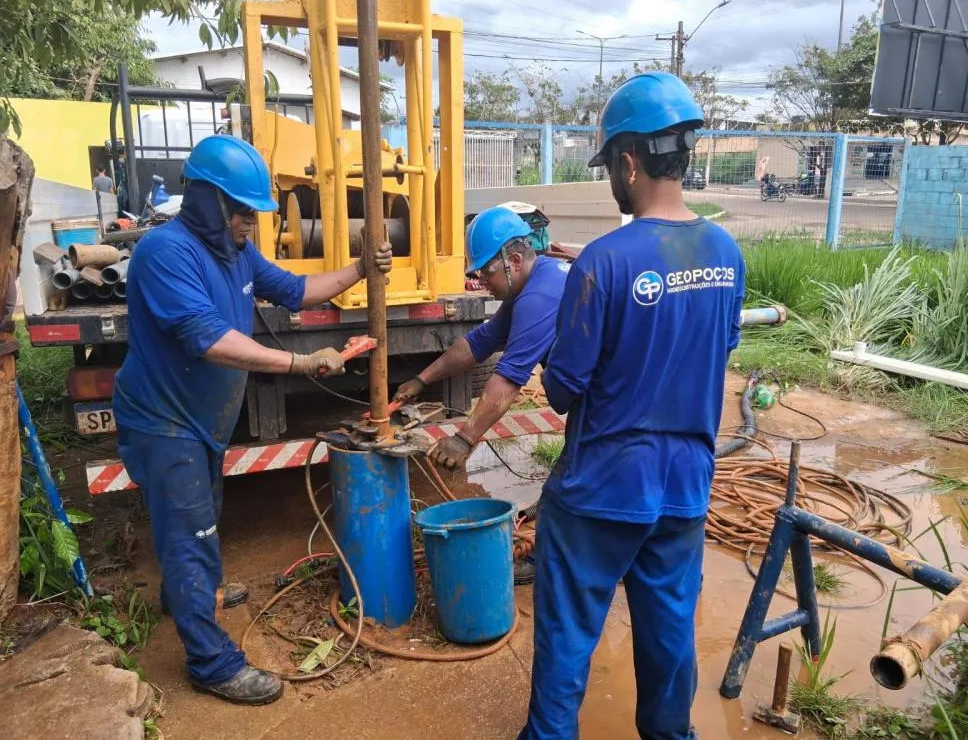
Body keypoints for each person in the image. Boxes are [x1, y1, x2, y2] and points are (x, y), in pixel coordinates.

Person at [112, 134, 392, 706]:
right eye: (241, 211)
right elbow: (209, 339)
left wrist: (360, 269)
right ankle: (212, 663)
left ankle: (186, 593)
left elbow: (296, 290)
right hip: (165, 422)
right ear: (206, 200)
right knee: (193, 529)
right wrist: (298, 360)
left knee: (198, 521)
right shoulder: (166, 253)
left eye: (253, 212)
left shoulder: (236, 252)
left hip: (200, 421)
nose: (250, 223)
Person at [518, 72, 746, 739]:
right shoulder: (726, 253)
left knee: (567, 636)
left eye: (611, 166)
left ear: (629, 160)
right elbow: (716, 349)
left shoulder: (604, 262)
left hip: (601, 490)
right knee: (671, 640)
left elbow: (564, 389)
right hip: (684, 488)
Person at [391, 205, 569, 471]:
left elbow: (508, 380)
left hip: (613, 407)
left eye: (486, 272)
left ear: (515, 262)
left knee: (570, 499)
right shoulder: (530, 285)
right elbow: (477, 343)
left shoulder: (539, 297)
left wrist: (465, 439)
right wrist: (420, 380)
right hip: (602, 403)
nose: (481, 280)